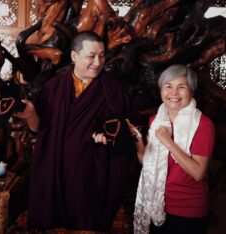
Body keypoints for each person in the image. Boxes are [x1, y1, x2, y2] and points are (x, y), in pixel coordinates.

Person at [16, 31, 134, 231]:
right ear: (74, 56)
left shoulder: (112, 90)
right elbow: (38, 128)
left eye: (102, 55)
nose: (98, 62)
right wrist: (29, 115)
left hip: (93, 174)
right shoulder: (53, 88)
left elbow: (129, 131)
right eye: (91, 56)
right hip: (55, 169)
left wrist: (112, 138)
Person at [128, 64, 215, 234]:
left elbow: (198, 172)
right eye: (168, 86)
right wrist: (138, 141)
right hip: (156, 205)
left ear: (191, 91)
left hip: (188, 209)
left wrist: (168, 142)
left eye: (181, 87)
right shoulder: (156, 120)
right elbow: (147, 161)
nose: (174, 93)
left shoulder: (203, 125)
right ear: (161, 90)